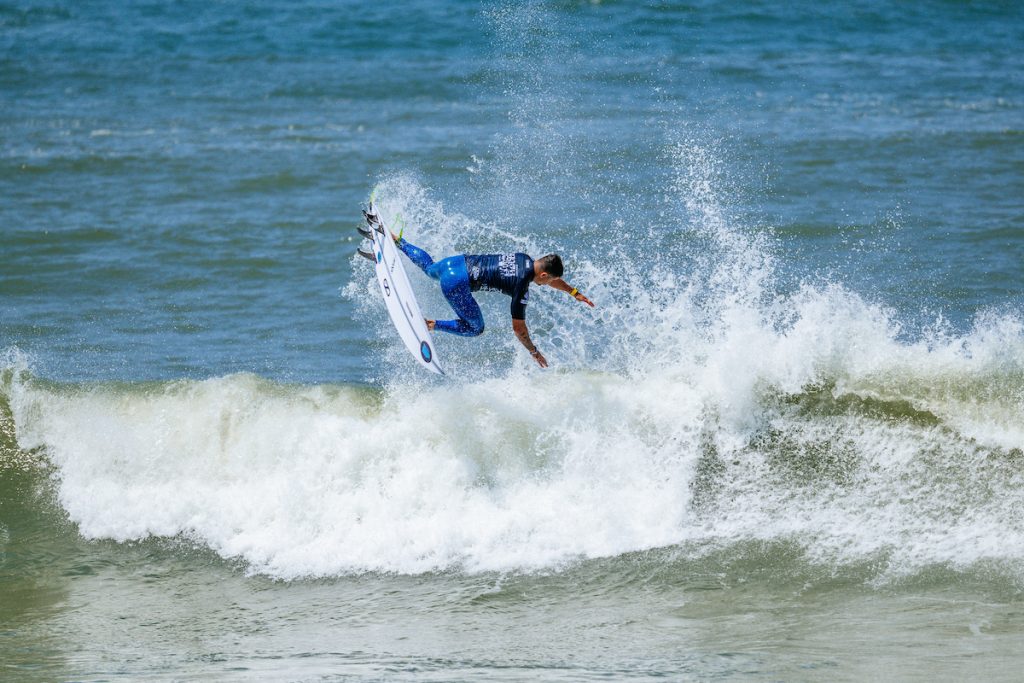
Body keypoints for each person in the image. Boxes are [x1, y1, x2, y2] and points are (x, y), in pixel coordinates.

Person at [367, 231, 594, 368]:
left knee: (428, 268)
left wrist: (573, 293)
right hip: (457, 284)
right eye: (546, 281)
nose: (545, 285)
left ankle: (398, 240)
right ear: (543, 275)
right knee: (475, 328)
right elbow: (519, 330)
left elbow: (551, 279)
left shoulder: (525, 259)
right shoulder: (521, 288)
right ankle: (430, 324)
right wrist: (533, 351)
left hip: (454, 263)